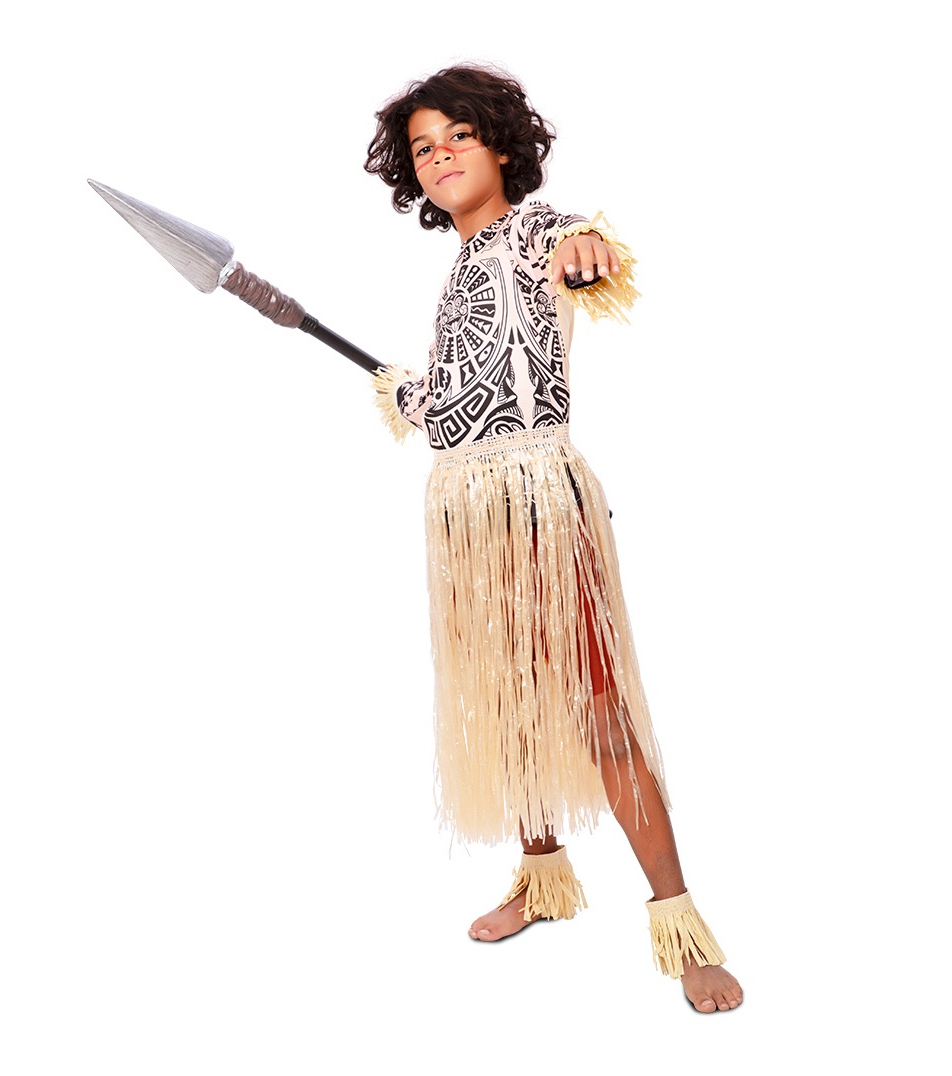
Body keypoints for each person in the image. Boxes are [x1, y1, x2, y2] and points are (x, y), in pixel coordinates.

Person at [364, 64, 743, 1014]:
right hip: (464, 512)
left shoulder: (532, 230)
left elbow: (576, 241)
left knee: (597, 706)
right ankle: (542, 878)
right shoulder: (459, 266)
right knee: (509, 702)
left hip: (537, 500)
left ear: (500, 146)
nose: (441, 154)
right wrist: (407, 393)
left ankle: (680, 922)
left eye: (459, 135)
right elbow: (460, 401)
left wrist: (587, 248)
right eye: (424, 147)